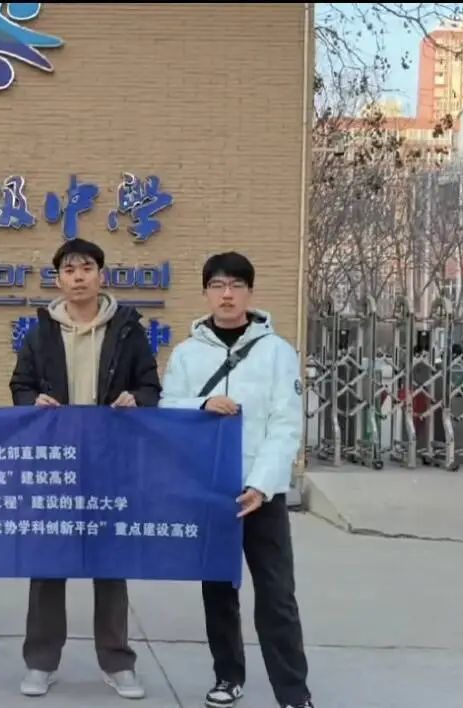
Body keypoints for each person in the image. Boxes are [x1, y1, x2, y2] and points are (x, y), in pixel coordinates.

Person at [8, 237, 161, 700]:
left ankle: (117, 662)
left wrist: (137, 399)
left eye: (87, 268)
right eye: (69, 270)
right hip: (55, 464)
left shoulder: (128, 330)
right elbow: (20, 385)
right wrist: (33, 401)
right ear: (58, 279)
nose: (78, 277)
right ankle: (40, 662)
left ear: (101, 275)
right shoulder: (40, 332)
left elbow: (150, 386)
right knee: (47, 566)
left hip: (109, 464)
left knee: (110, 565)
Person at [158, 252, 313, 708]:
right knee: (218, 592)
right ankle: (228, 677)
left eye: (236, 285)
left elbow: (286, 424)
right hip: (211, 491)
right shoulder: (186, 354)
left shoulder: (277, 352)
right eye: (218, 285)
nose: (227, 295)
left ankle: (293, 692)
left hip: (262, 496)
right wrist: (200, 405)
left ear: (250, 292)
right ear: (206, 292)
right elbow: (167, 410)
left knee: (277, 596)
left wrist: (262, 484)